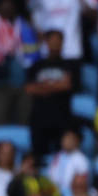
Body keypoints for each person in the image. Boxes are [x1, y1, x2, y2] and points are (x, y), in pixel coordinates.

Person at [25, 30, 77, 158]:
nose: (55, 45)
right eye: (52, 41)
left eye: (58, 42)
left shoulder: (70, 65)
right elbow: (29, 89)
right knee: (38, 157)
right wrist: (55, 86)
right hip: (39, 118)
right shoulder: (37, 65)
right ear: (46, 43)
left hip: (62, 118)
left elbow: (67, 85)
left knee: (64, 157)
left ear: (62, 43)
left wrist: (43, 87)